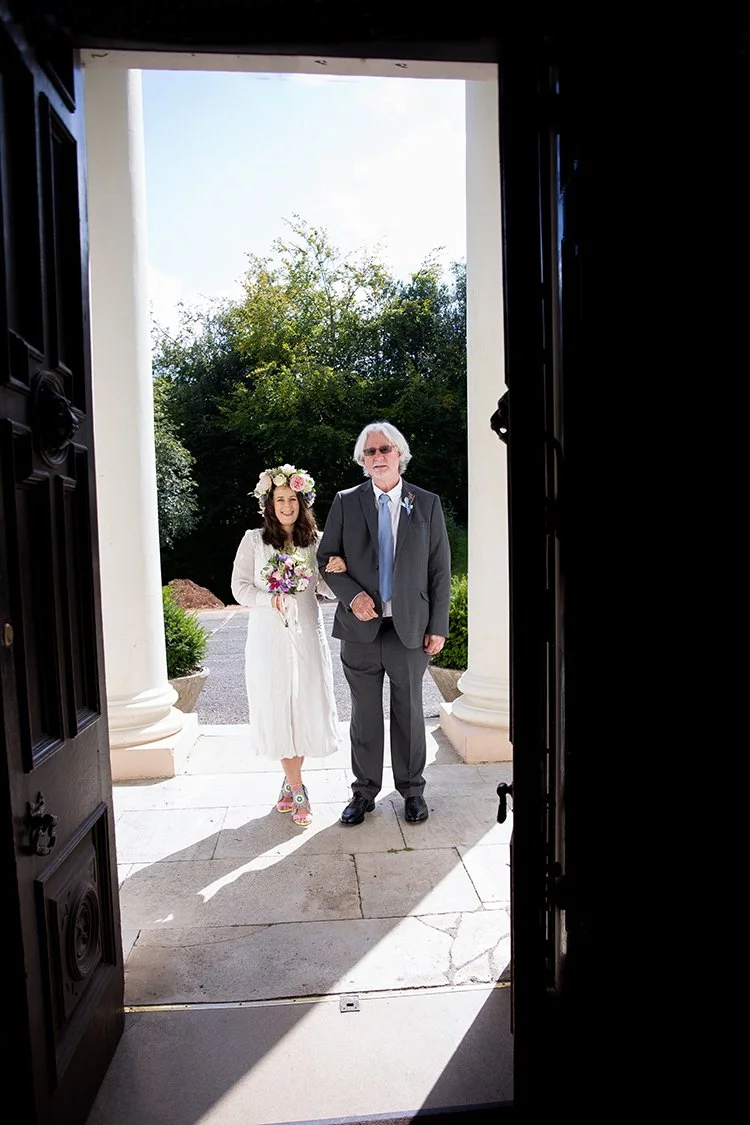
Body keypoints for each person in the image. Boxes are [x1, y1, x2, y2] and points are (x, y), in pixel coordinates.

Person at [317, 422, 451, 826]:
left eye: (385, 449)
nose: (378, 456)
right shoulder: (346, 501)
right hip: (360, 628)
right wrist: (352, 596)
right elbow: (326, 558)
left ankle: (412, 791)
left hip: (410, 629)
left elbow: (439, 569)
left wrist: (439, 625)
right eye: (370, 451)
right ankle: (363, 792)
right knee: (365, 714)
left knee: (409, 712)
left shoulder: (426, 503)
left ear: (400, 455)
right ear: (363, 460)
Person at [230, 463, 346, 827]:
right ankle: (298, 790)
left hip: (307, 634)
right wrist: (270, 600)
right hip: (269, 638)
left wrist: (337, 573)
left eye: (292, 499)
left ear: (302, 502)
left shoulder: (316, 541)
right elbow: (239, 587)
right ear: (269, 503)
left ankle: (289, 782)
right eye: (280, 499)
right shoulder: (254, 540)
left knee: (304, 707)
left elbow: (323, 590)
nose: (286, 506)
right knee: (279, 706)